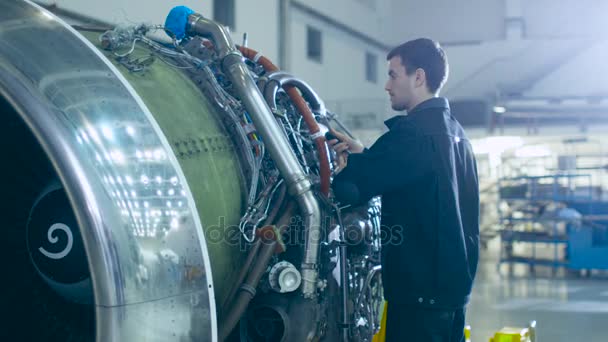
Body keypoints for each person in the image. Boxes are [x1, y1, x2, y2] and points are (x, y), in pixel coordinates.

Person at [329, 38, 479, 342]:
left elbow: (349, 191)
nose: (387, 85)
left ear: (419, 77)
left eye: (393, 75)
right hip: (451, 294)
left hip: (418, 300)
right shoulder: (457, 134)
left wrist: (341, 170)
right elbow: (407, 172)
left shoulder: (410, 134)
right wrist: (364, 155)